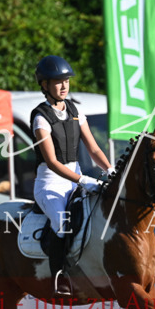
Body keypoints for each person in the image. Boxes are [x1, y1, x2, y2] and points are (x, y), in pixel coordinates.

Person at [32, 55, 114, 295]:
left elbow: (94, 148)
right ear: (45, 85)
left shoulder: (75, 110)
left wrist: (109, 170)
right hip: (51, 183)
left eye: (66, 80)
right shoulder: (40, 118)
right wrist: (83, 180)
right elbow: (52, 162)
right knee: (62, 223)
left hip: (77, 177)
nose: (64, 85)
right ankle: (60, 277)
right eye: (58, 81)